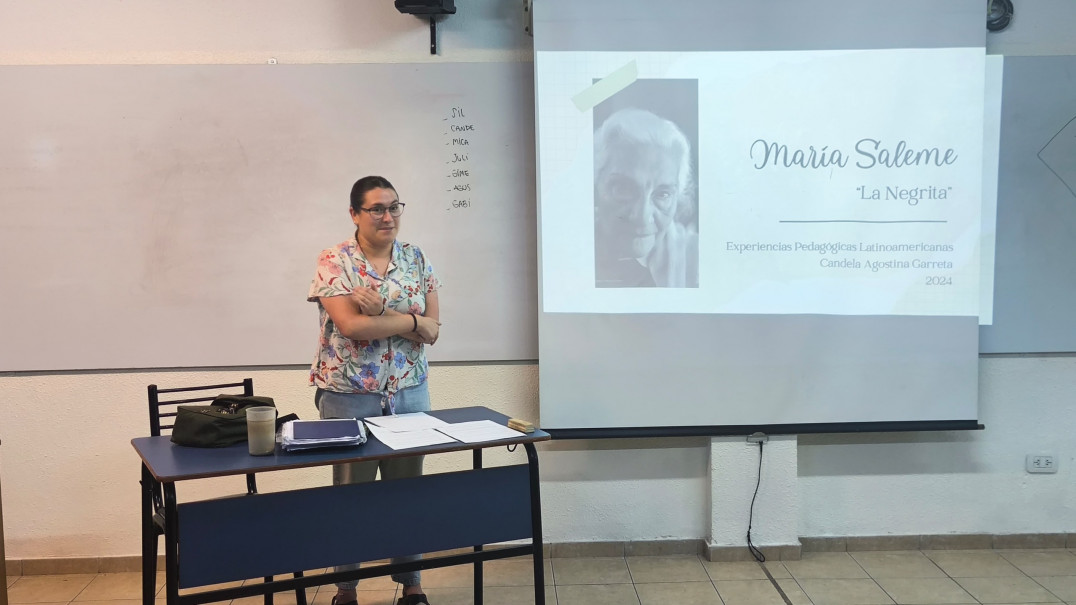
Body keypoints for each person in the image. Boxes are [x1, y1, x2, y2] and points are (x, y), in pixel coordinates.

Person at [307, 175, 441, 605]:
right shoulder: (335, 260)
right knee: (353, 495)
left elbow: (435, 332)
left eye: (395, 207)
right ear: (354, 214)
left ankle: (412, 584)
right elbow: (352, 327)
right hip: (349, 395)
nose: (388, 217)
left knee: (408, 492)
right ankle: (346, 590)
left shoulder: (416, 258)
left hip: (409, 392)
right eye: (377, 209)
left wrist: (385, 309)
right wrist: (413, 320)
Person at [593, 107, 699, 288]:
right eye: (622, 189)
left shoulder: (698, 261)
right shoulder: (567, 253)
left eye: (663, 194)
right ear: (594, 188)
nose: (642, 217)